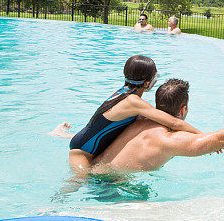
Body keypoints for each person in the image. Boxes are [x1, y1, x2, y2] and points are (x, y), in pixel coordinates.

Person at [88, 79, 224, 173]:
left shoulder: (138, 118)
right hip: (110, 188)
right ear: (183, 110)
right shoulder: (168, 140)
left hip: (91, 171)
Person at [48, 55, 201, 172]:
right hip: (81, 153)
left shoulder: (123, 93)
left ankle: (60, 133)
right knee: (73, 187)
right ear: (147, 83)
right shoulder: (133, 102)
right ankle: (49, 209)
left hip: (84, 144)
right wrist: (201, 136)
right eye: (155, 77)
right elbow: (174, 122)